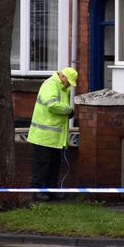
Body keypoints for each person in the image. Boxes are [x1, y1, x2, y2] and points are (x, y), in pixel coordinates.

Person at [27, 67, 78, 201]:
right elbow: (52, 105)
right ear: (63, 77)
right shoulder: (50, 85)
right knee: (42, 164)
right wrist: (68, 110)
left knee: (54, 164)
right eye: (69, 82)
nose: (69, 85)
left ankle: (51, 190)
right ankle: (37, 191)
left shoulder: (62, 87)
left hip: (54, 137)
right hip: (43, 136)